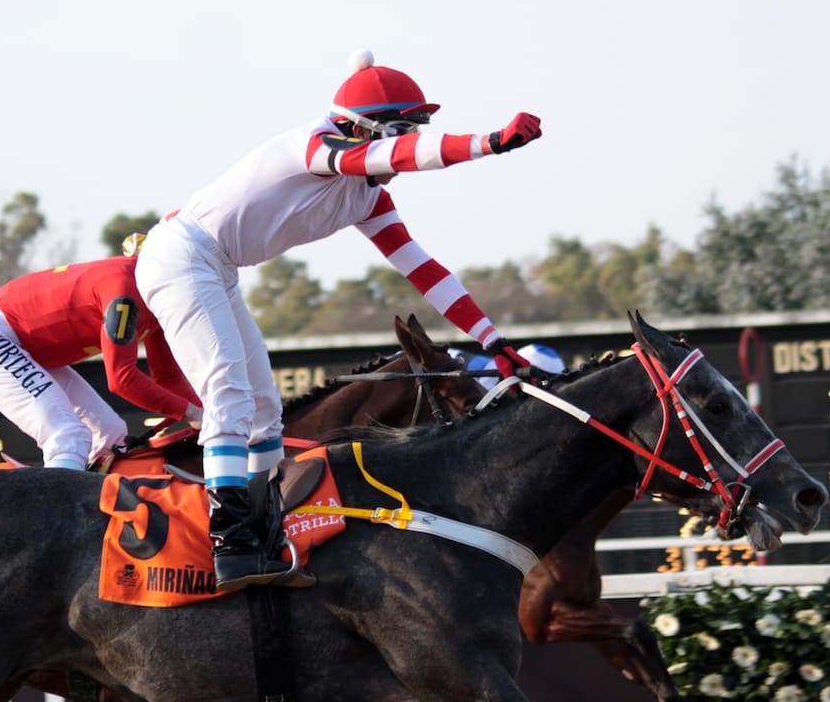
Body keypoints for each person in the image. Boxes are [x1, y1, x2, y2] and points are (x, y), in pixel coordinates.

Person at [135, 49, 543, 592]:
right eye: (404, 128)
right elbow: (412, 154)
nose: (407, 142)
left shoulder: (367, 196)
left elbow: (424, 269)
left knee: (265, 411)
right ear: (362, 127)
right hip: (182, 257)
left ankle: (261, 536)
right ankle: (230, 545)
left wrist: (493, 338)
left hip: (218, 268)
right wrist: (488, 143)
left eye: (417, 127)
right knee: (229, 396)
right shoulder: (315, 147)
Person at [0, 244, 202, 470]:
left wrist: (212, 414)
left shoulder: (158, 299)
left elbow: (167, 376)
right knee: (67, 436)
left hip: (23, 347)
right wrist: (193, 413)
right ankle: (52, 516)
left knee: (109, 435)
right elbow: (121, 378)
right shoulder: (124, 295)